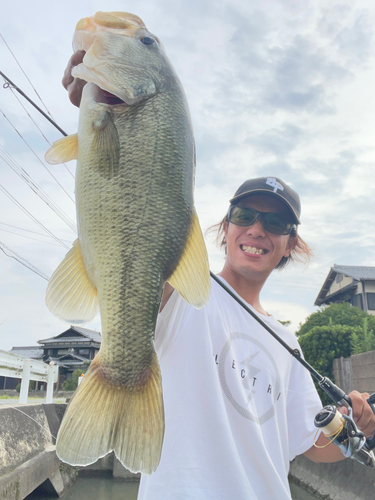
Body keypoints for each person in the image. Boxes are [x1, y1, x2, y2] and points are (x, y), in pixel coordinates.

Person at [63, 53, 375, 500]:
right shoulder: (183, 293)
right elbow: (131, 228)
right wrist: (99, 108)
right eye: (245, 215)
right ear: (224, 229)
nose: (258, 230)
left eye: (276, 225)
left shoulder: (288, 343)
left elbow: (308, 443)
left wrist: (356, 431)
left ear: (290, 245)